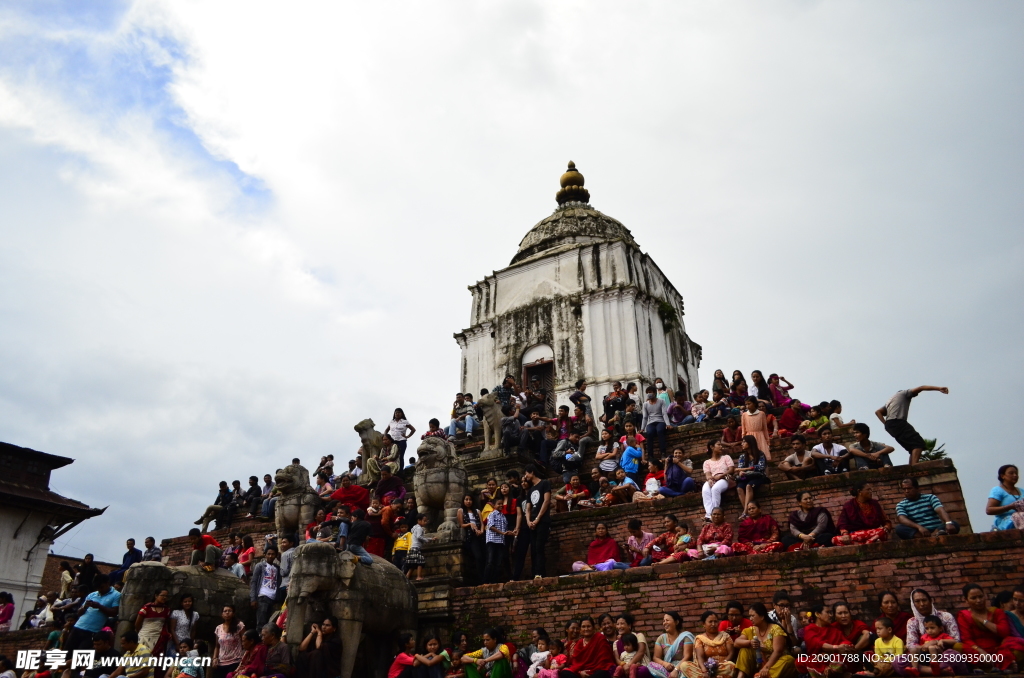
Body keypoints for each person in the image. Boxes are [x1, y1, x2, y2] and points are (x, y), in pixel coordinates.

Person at [892, 589, 961, 677]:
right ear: (913, 604)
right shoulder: (912, 622)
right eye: (917, 601)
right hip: (922, 656)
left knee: (953, 655)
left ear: (930, 600)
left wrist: (936, 642)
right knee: (897, 661)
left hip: (942, 654)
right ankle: (938, 671)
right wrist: (925, 647)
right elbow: (911, 644)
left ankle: (931, 670)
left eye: (924, 600)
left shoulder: (946, 617)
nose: (922, 604)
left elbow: (956, 640)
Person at [957, 582, 1024, 672]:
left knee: (1016, 644)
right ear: (966, 600)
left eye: (981, 596)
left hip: (998, 650)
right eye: (973, 598)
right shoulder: (964, 615)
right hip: (977, 652)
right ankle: (999, 667)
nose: (978, 600)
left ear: (985, 596)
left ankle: (991, 667)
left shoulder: (996, 612)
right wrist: (981, 651)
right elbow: (966, 639)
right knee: (957, 646)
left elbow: (1004, 632)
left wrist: (983, 621)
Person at [875, 386, 949, 465]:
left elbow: (878, 412)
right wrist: (939, 388)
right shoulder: (903, 393)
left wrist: (885, 423)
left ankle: (910, 469)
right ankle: (914, 468)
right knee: (918, 444)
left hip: (890, 426)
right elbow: (921, 387)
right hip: (897, 422)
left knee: (912, 448)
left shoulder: (890, 401)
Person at [733, 602, 797, 678]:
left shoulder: (775, 629)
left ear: (762, 616)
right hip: (758, 663)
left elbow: (778, 651)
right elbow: (736, 643)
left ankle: (762, 676)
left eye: (753, 616)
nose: (750, 619)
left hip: (775, 664)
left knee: (788, 660)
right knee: (744, 649)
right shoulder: (750, 630)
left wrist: (766, 667)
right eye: (750, 616)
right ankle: (741, 676)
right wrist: (750, 642)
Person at [797, 604, 855, 678]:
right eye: (828, 612)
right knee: (802, 661)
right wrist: (836, 648)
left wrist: (844, 646)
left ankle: (831, 672)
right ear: (818, 614)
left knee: (846, 655)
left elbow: (846, 642)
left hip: (833, 658)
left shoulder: (834, 629)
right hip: (818, 659)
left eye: (831, 613)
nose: (830, 615)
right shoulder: (810, 629)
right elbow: (818, 644)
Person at [65, 574, 120, 651]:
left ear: (108, 583)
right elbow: (79, 613)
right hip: (78, 626)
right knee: (67, 652)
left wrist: (99, 606)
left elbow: (114, 612)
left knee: (80, 656)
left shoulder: (116, 595)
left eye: (101, 587)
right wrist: (84, 607)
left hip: (92, 631)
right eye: (98, 588)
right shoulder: (92, 594)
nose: (100, 590)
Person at [678, 611, 735, 678]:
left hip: (721, 667)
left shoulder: (725, 636)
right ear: (704, 624)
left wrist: (722, 663)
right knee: (684, 665)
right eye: (710, 622)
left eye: (715, 621)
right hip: (706, 668)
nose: (713, 624)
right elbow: (700, 657)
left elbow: (731, 653)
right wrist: (704, 670)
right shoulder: (700, 638)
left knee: (731, 665)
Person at [522, 465, 552, 579]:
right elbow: (528, 508)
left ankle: (540, 573)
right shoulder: (530, 490)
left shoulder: (545, 483)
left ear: (532, 472)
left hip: (543, 520)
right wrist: (529, 521)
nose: (526, 477)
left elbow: (546, 501)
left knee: (539, 547)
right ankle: (535, 573)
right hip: (532, 523)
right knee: (534, 548)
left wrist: (538, 518)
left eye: (526, 474)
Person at [649, 612, 693, 678]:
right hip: (668, 667)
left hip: (681, 667)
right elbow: (656, 657)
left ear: (676, 622)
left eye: (667, 620)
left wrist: (676, 670)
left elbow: (687, 656)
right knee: (650, 665)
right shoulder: (661, 638)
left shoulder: (685, 637)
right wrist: (665, 664)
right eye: (663, 621)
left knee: (687, 668)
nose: (665, 623)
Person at [702, 441, 735, 521]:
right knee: (705, 489)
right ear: (712, 447)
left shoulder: (726, 457)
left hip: (724, 479)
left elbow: (731, 470)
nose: (721, 447)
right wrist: (709, 480)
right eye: (719, 445)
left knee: (715, 489)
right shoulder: (707, 462)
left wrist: (721, 475)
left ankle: (715, 512)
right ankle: (709, 514)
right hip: (713, 479)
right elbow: (708, 474)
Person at [734, 436, 770, 511]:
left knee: (749, 486)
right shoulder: (743, 457)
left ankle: (745, 512)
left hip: (758, 477)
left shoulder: (760, 454)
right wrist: (741, 472)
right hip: (747, 477)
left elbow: (761, 467)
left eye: (744, 442)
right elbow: (740, 468)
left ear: (750, 443)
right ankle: (747, 511)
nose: (742, 444)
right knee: (739, 488)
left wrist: (746, 469)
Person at [832, 602, 871, 668]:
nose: (843, 616)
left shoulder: (858, 624)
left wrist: (854, 650)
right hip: (842, 656)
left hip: (858, 654)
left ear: (850, 614)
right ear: (835, 616)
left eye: (846, 612)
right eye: (840, 613)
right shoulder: (833, 628)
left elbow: (868, 634)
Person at [249, 547, 280, 629]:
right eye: (268, 554)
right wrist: (253, 599)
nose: (270, 556)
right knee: (261, 623)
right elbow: (254, 582)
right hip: (262, 597)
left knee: (269, 624)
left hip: (273, 598)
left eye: (273, 554)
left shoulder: (277, 568)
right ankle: (260, 641)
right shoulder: (260, 566)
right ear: (265, 555)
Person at [986, 464, 1024, 531]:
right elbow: (989, 510)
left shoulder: (1021, 491)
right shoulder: (998, 490)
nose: (1015, 475)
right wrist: (1010, 507)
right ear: (1002, 476)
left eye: (1016, 473)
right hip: (1006, 522)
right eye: (1011, 473)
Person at [211, 605, 245, 678]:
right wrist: (214, 658)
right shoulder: (218, 628)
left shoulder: (239, 625)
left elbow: (245, 642)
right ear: (222, 614)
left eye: (229, 611)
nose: (227, 613)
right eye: (225, 611)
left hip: (235, 661)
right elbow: (217, 646)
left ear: (233, 613)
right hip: (221, 662)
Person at [135, 588, 171, 657]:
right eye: (162, 595)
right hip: (144, 636)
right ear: (156, 596)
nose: (164, 597)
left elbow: (165, 624)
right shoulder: (147, 608)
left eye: (166, 596)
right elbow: (137, 623)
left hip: (158, 637)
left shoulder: (166, 610)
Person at [457, 494, 485, 577]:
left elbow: (482, 524)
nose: (468, 501)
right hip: (470, 536)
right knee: (477, 556)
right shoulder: (461, 511)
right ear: (463, 501)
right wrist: (470, 524)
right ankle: (480, 578)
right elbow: (461, 524)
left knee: (483, 556)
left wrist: (481, 531)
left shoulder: (477, 511)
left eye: (470, 499)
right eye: (466, 499)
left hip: (480, 535)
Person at [641, 386, 670, 461]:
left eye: (650, 392)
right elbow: (645, 417)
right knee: (649, 433)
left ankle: (663, 453)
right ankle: (650, 455)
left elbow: (664, 413)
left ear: (654, 392)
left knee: (660, 431)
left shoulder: (661, 401)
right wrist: (642, 428)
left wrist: (667, 424)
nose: (649, 394)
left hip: (660, 421)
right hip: (651, 422)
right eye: (647, 393)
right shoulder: (645, 404)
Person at [740, 397, 772, 461]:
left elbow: (765, 429)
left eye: (749, 404)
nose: (747, 406)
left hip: (760, 437)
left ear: (754, 403)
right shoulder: (744, 415)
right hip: (749, 438)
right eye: (746, 404)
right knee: (752, 457)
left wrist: (767, 442)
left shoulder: (761, 414)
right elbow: (743, 430)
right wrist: (744, 440)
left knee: (763, 457)